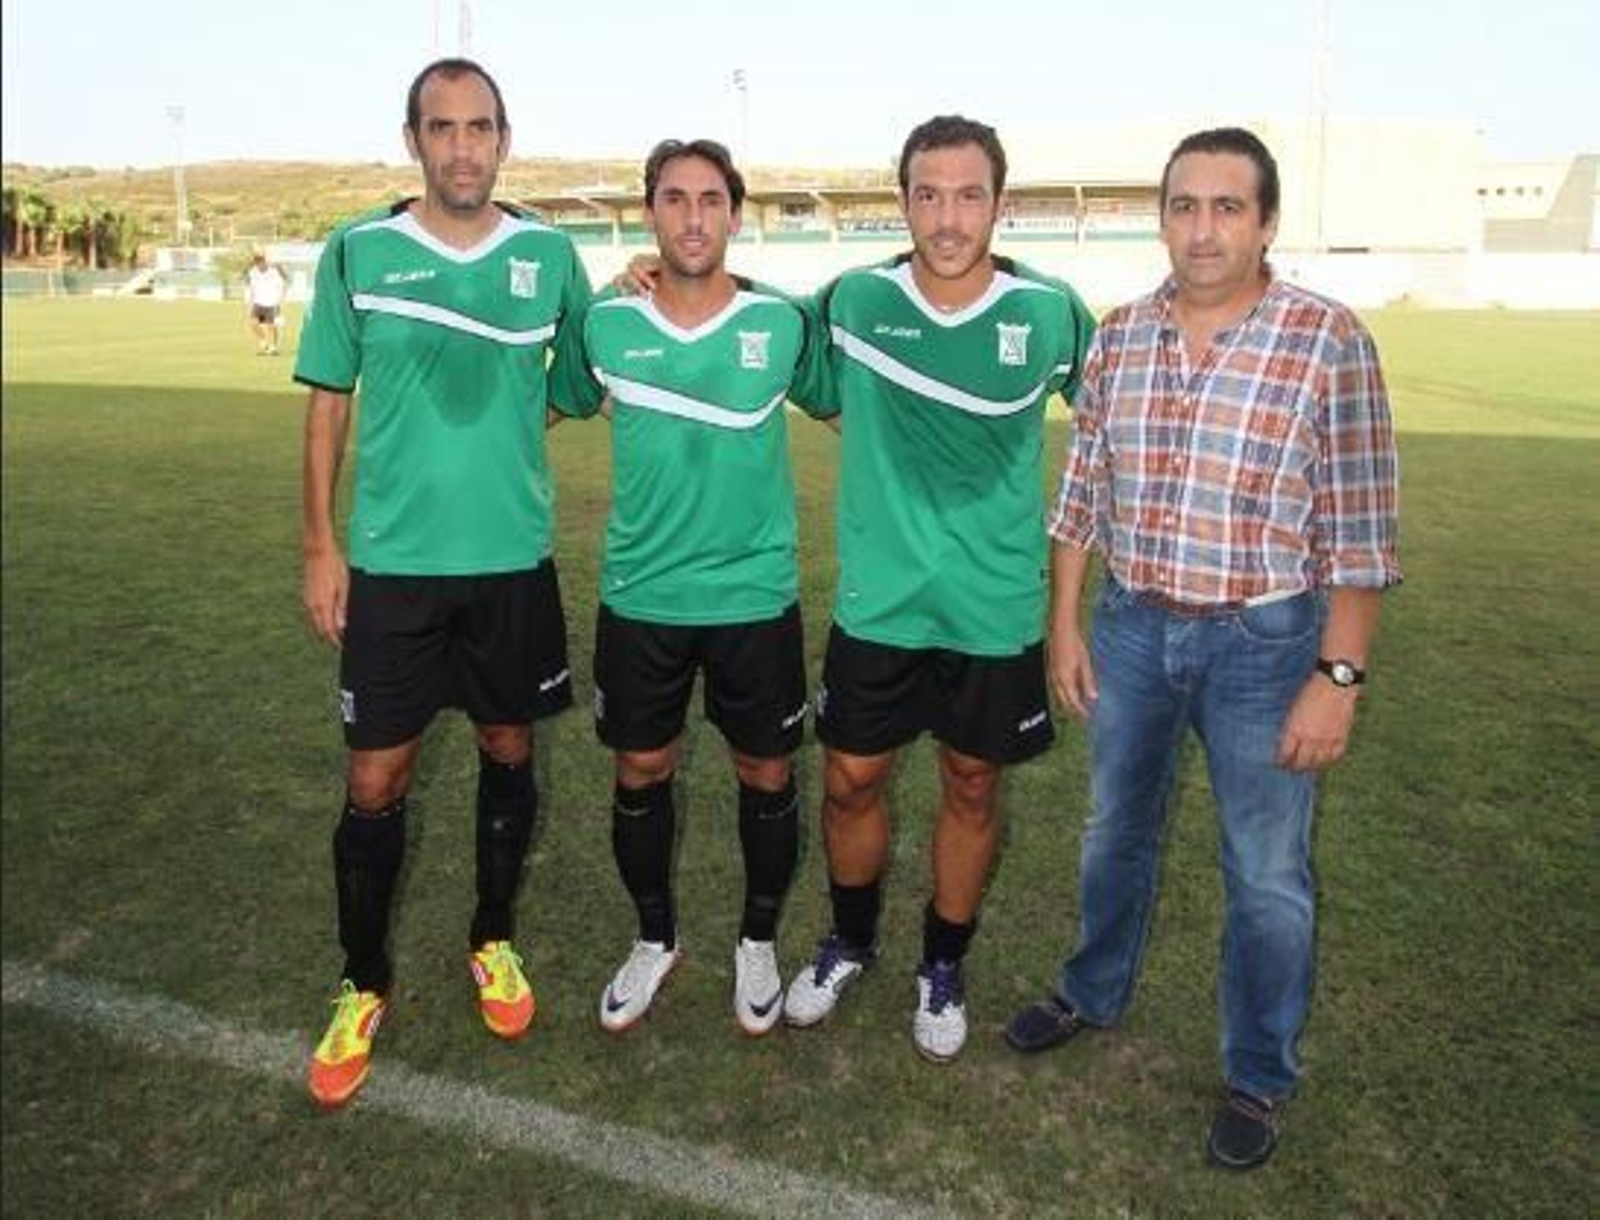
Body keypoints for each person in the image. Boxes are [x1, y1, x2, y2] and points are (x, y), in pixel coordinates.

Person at [1002, 127, 1402, 1169]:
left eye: (1228, 207)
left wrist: (1337, 675)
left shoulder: (1327, 340)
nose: (1203, 227)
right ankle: (1091, 990)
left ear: (1265, 222)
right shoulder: (1122, 335)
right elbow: (1081, 491)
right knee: (1110, 832)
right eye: (1184, 204)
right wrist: (1065, 622)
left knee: (1266, 871)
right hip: (1135, 626)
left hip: (1266, 643)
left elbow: (1359, 528)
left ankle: (1258, 1072)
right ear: (1162, 216)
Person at [295, 57, 592, 1110]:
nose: (462, 146)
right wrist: (320, 545)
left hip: (510, 564)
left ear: (504, 139)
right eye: (442, 127)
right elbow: (328, 402)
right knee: (376, 780)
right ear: (413, 139)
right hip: (391, 571)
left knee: (509, 746)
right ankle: (361, 977)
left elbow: (573, 383)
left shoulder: (550, 256)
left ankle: (492, 935)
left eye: (479, 127)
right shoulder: (360, 251)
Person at [779, 116, 1097, 1063]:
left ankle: (943, 965)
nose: (948, 217)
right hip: (880, 601)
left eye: (968, 195)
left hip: (994, 607)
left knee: (970, 780)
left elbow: (1117, 416)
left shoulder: (1047, 312)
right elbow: (757, 335)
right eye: (928, 194)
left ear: (1000, 202)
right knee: (849, 779)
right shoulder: (851, 301)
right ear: (903, 199)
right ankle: (849, 940)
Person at [549, 139, 833, 1037]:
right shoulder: (606, 325)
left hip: (754, 600)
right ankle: (654, 937)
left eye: (711, 199)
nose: (694, 216)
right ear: (650, 213)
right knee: (642, 766)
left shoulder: (782, 325)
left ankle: (756, 941)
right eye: (675, 199)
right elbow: (535, 407)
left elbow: (859, 409)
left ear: (736, 216)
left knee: (768, 767)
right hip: (642, 599)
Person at [245, 249, 289, 354]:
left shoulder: (274, 272)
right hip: (258, 302)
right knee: (253, 324)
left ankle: (274, 348)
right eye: (257, 263)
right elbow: (251, 287)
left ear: (265, 261)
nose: (260, 265)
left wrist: (280, 300)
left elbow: (283, 285)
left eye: (261, 262)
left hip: (272, 302)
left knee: (271, 326)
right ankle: (263, 343)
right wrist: (249, 301)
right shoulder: (253, 272)